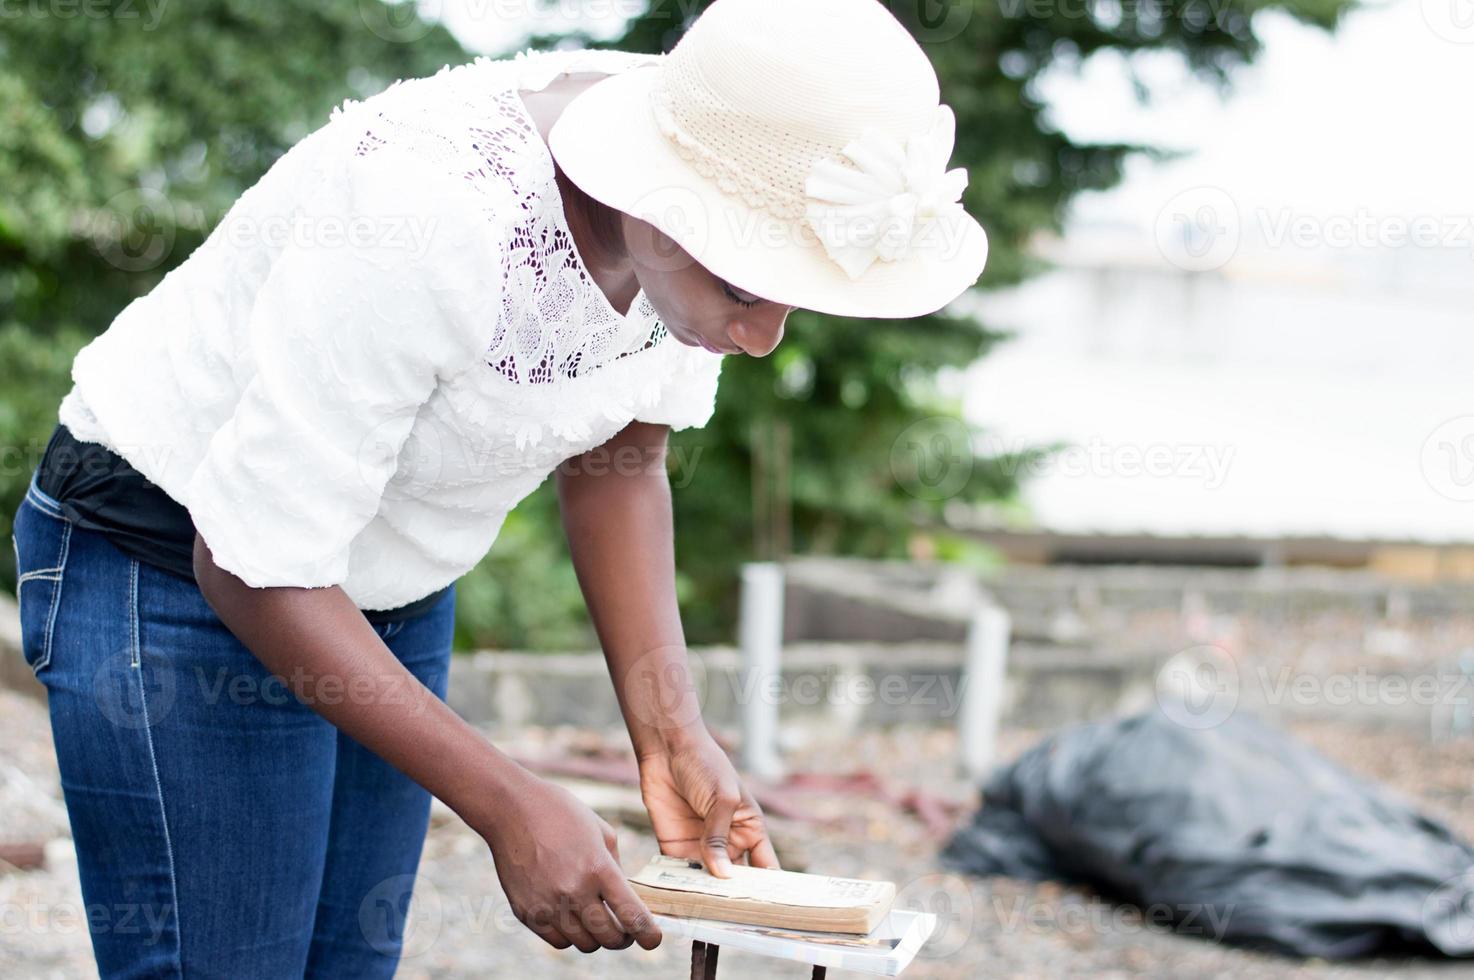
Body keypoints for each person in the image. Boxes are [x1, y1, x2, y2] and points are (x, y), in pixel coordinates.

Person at [10, 0, 988, 975]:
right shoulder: (425, 211)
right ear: (658, 199)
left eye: (790, 296)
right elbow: (248, 560)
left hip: (377, 582)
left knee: (345, 962)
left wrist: (670, 730)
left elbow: (622, 463)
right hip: (172, 561)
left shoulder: (730, 144)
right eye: (744, 290)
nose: (763, 336)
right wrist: (506, 801)